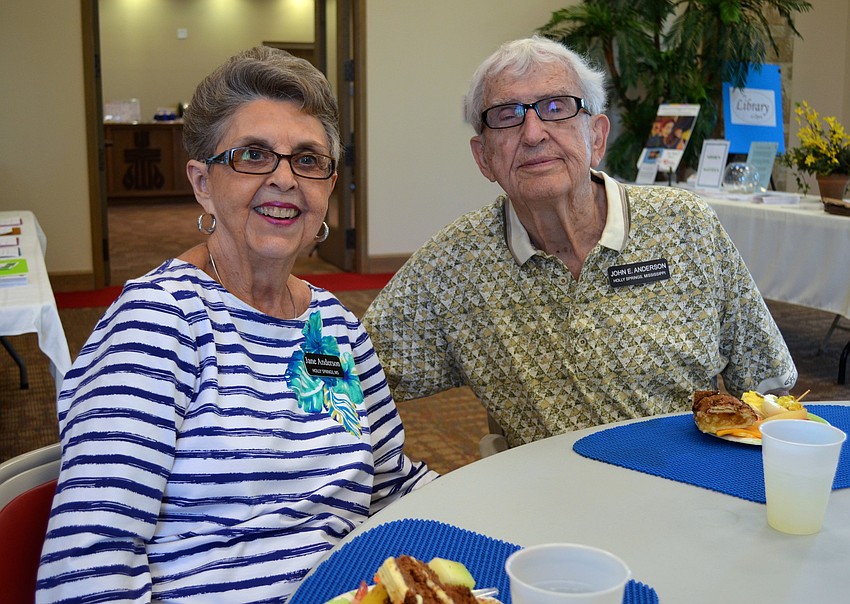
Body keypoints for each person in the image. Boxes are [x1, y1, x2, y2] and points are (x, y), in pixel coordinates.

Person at [37, 46, 435, 603]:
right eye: (253, 155)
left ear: (328, 185)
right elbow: (86, 574)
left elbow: (392, 487)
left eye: (307, 159)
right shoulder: (158, 324)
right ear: (203, 183)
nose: (284, 179)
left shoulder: (335, 327)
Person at [362, 37, 796, 447]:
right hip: (551, 510)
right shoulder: (454, 264)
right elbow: (346, 374)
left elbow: (769, 385)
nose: (533, 133)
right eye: (508, 115)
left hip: (690, 485)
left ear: (597, 137)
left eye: (556, 107)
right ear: (484, 157)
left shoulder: (686, 226)